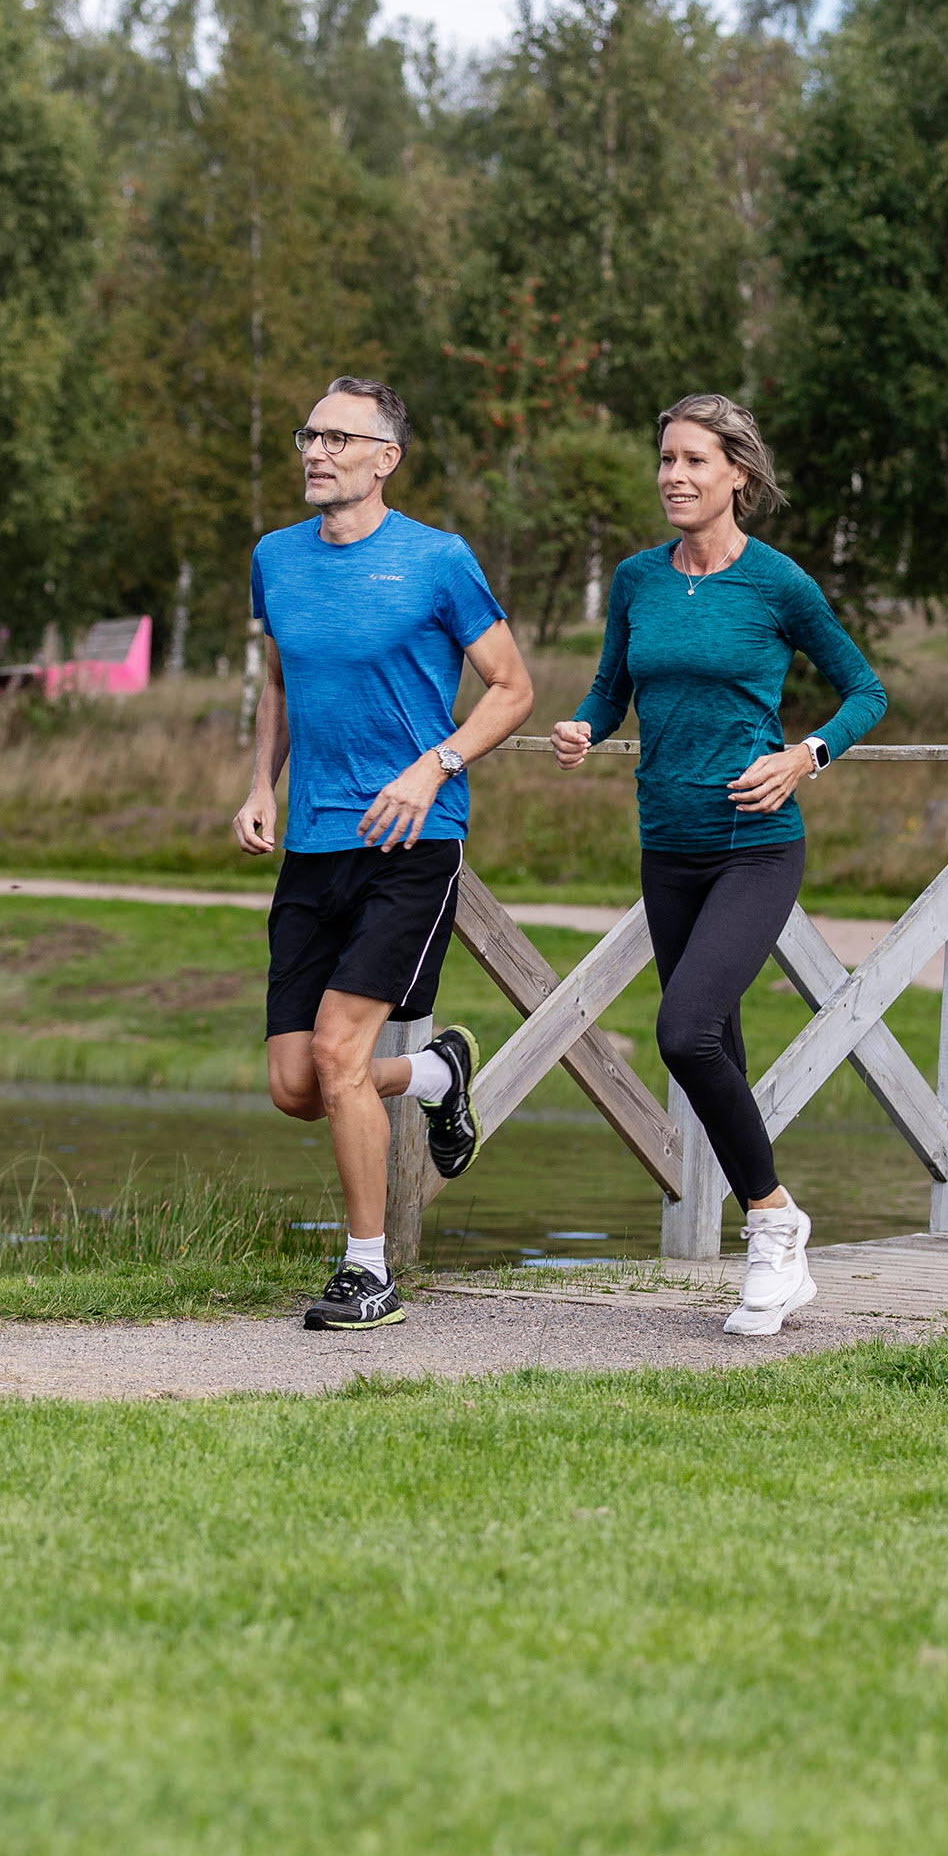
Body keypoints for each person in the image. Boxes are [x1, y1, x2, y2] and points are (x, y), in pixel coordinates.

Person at [550, 393, 886, 1335]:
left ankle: (776, 1225)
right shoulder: (635, 580)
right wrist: (584, 723)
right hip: (668, 845)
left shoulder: (777, 583)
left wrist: (804, 755)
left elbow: (866, 688)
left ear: (737, 473)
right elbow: (613, 687)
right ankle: (776, 1258)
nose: (675, 475)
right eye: (666, 458)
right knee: (718, 1046)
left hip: (755, 845)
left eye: (696, 460)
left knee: (684, 1031)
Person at [232, 376, 534, 1330]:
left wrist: (432, 767)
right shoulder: (274, 559)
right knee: (296, 1086)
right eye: (307, 435)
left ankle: (368, 1271)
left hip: (411, 840)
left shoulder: (439, 561)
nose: (315, 452)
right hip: (314, 842)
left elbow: (513, 688)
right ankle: (440, 1074)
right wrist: (257, 785)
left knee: (338, 1052)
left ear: (384, 458)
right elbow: (280, 680)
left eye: (337, 437)